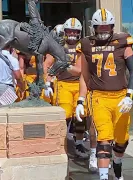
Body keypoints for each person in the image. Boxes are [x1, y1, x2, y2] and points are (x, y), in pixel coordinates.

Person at [75, 8, 133, 180]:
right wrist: (81, 100)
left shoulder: (123, 41)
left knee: (121, 139)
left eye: (106, 27)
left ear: (112, 27)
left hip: (120, 97)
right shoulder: (87, 44)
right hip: (99, 97)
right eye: (100, 28)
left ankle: (117, 162)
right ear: (93, 28)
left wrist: (129, 95)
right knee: (104, 138)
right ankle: (103, 177)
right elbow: (84, 76)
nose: (103, 31)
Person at [44, 18, 90, 159]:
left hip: (79, 84)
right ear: (64, 31)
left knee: (81, 115)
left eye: (74, 31)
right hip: (63, 84)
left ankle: (79, 142)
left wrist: (64, 66)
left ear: (79, 32)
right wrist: (47, 81)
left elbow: (79, 70)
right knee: (65, 115)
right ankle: (61, 143)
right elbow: (46, 65)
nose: (71, 33)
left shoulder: (82, 46)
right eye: (69, 30)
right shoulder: (58, 45)